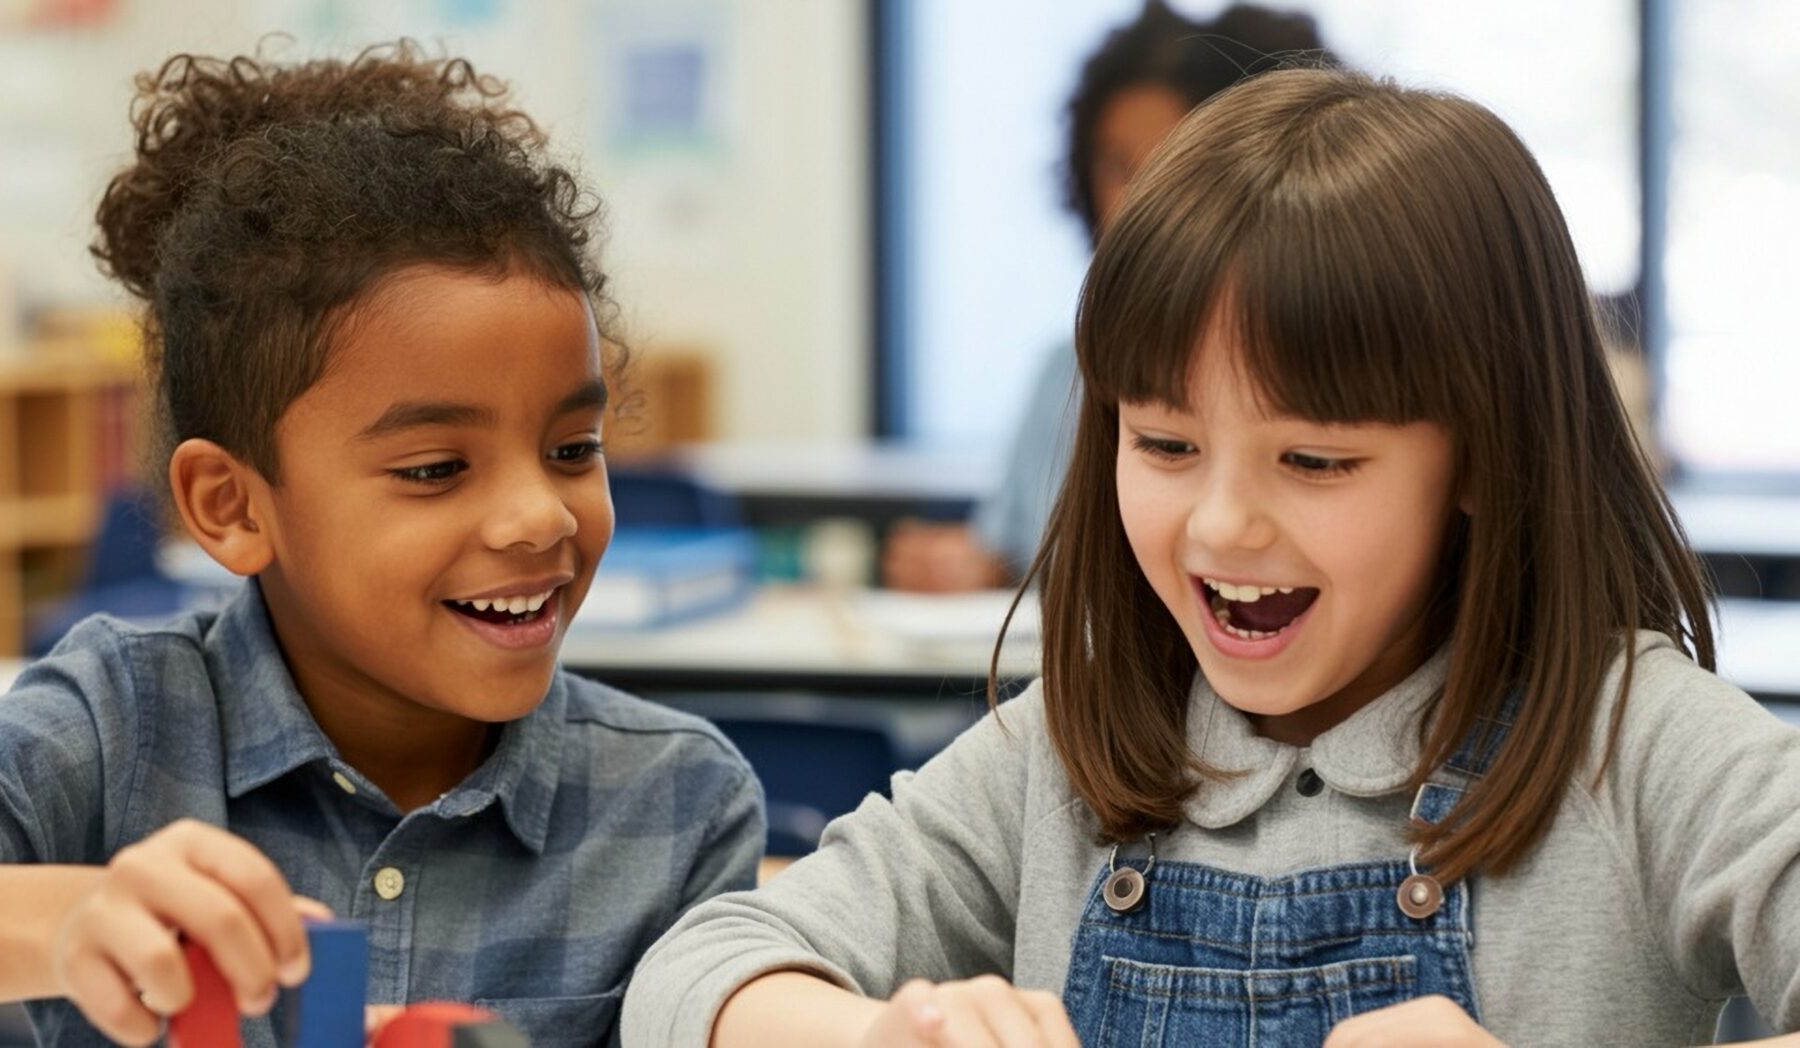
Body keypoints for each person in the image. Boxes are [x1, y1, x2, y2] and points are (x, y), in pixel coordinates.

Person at [623, 68, 1800, 1047]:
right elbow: (695, 974)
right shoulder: (1067, 752)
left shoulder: (1635, 746)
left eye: (1316, 461)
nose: (1223, 524)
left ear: (1488, 455)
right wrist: (885, 1032)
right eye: (1166, 444)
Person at [0, 44, 762, 1048]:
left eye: (573, 449)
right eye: (435, 468)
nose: (540, 517)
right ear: (232, 506)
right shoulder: (121, 727)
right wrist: (69, 919)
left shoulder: (679, 803)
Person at [881, 2, 1331, 593]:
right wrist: (969, 566)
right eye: (1118, 167)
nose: (1134, 202)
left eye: (1169, 166)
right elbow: (1013, 550)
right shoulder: (1062, 375)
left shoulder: (1317, 362)